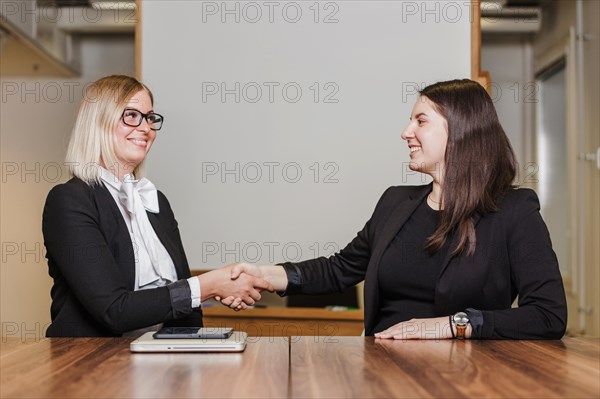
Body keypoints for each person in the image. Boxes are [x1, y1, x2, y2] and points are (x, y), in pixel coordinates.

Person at [220, 79, 567, 340]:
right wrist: (266, 276)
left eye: (421, 121)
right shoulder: (395, 202)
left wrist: (452, 326)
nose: (406, 133)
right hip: (381, 367)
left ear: (460, 131)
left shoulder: (514, 211)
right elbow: (339, 269)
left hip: (465, 377)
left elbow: (548, 315)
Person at [42, 75, 272, 337]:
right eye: (131, 115)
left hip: (156, 362)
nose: (146, 128)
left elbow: (188, 307)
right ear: (98, 122)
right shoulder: (69, 201)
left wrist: (189, 360)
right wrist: (209, 285)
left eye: (150, 117)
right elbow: (114, 310)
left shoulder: (155, 200)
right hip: (89, 365)